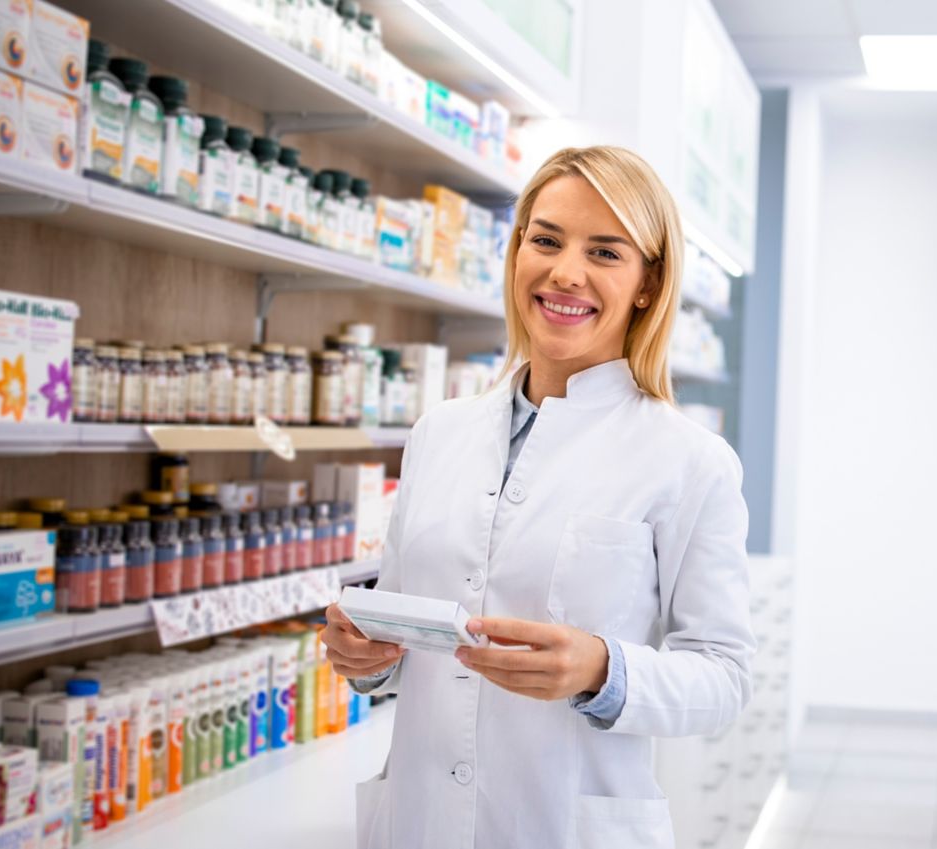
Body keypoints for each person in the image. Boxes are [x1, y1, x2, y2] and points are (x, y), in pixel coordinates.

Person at [320, 146, 756, 849]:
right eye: (545, 239)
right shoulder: (439, 432)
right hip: (419, 819)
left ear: (648, 283)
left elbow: (724, 677)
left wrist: (601, 669)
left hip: (565, 826)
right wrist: (365, 659)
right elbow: (401, 640)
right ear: (517, 249)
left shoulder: (689, 460)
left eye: (605, 252)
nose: (565, 272)